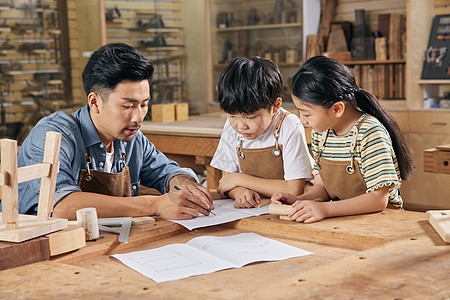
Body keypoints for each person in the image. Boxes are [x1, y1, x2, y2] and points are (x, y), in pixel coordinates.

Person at [16, 43, 213, 220]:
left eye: (144, 105)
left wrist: (180, 183)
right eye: (128, 106)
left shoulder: (132, 139)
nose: (138, 118)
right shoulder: (52, 135)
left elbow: (167, 171)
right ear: (95, 102)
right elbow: (61, 207)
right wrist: (153, 204)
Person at [271, 56, 415, 223]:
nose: (302, 120)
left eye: (307, 113)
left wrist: (325, 209)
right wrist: (298, 200)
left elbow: (378, 199)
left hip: (382, 222)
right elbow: (322, 187)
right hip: (344, 220)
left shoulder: (369, 132)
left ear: (337, 109)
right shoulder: (321, 132)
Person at [210, 56, 314, 208]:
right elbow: (226, 183)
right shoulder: (231, 127)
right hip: (258, 210)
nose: (240, 126)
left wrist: (241, 180)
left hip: (290, 210)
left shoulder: (288, 126)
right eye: (232, 115)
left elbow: (294, 190)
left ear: (276, 106)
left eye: (250, 117)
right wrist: (240, 193)